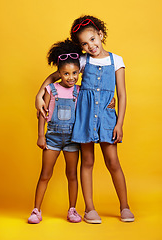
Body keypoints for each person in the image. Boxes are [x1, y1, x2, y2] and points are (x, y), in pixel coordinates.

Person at [35, 15, 134, 223]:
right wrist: (38, 95)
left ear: (100, 34)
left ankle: (124, 206)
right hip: (84, 117)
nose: (90, 46)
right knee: (87, 162)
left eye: (92, 39)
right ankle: (89, 209)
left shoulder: (117, 61)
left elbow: (122, 94)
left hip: (107, 118)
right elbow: (56, 76)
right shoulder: (81, 60)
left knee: (113, 161)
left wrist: (119, 123)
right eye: (84, 43)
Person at [28, 39, 82, 224]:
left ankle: (72, 210)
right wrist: (41, 135)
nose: (71, 77)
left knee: (72, 174)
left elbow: (91, 105)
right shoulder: (50, 89)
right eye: (66, 73)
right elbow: (43, 113)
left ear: (79, 72)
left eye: (74, 73)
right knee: (45, 174)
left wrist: (111, 102)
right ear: (58, 73)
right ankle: (36, 210)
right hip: (52, 138)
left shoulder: (79, 91)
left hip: (73, 140)